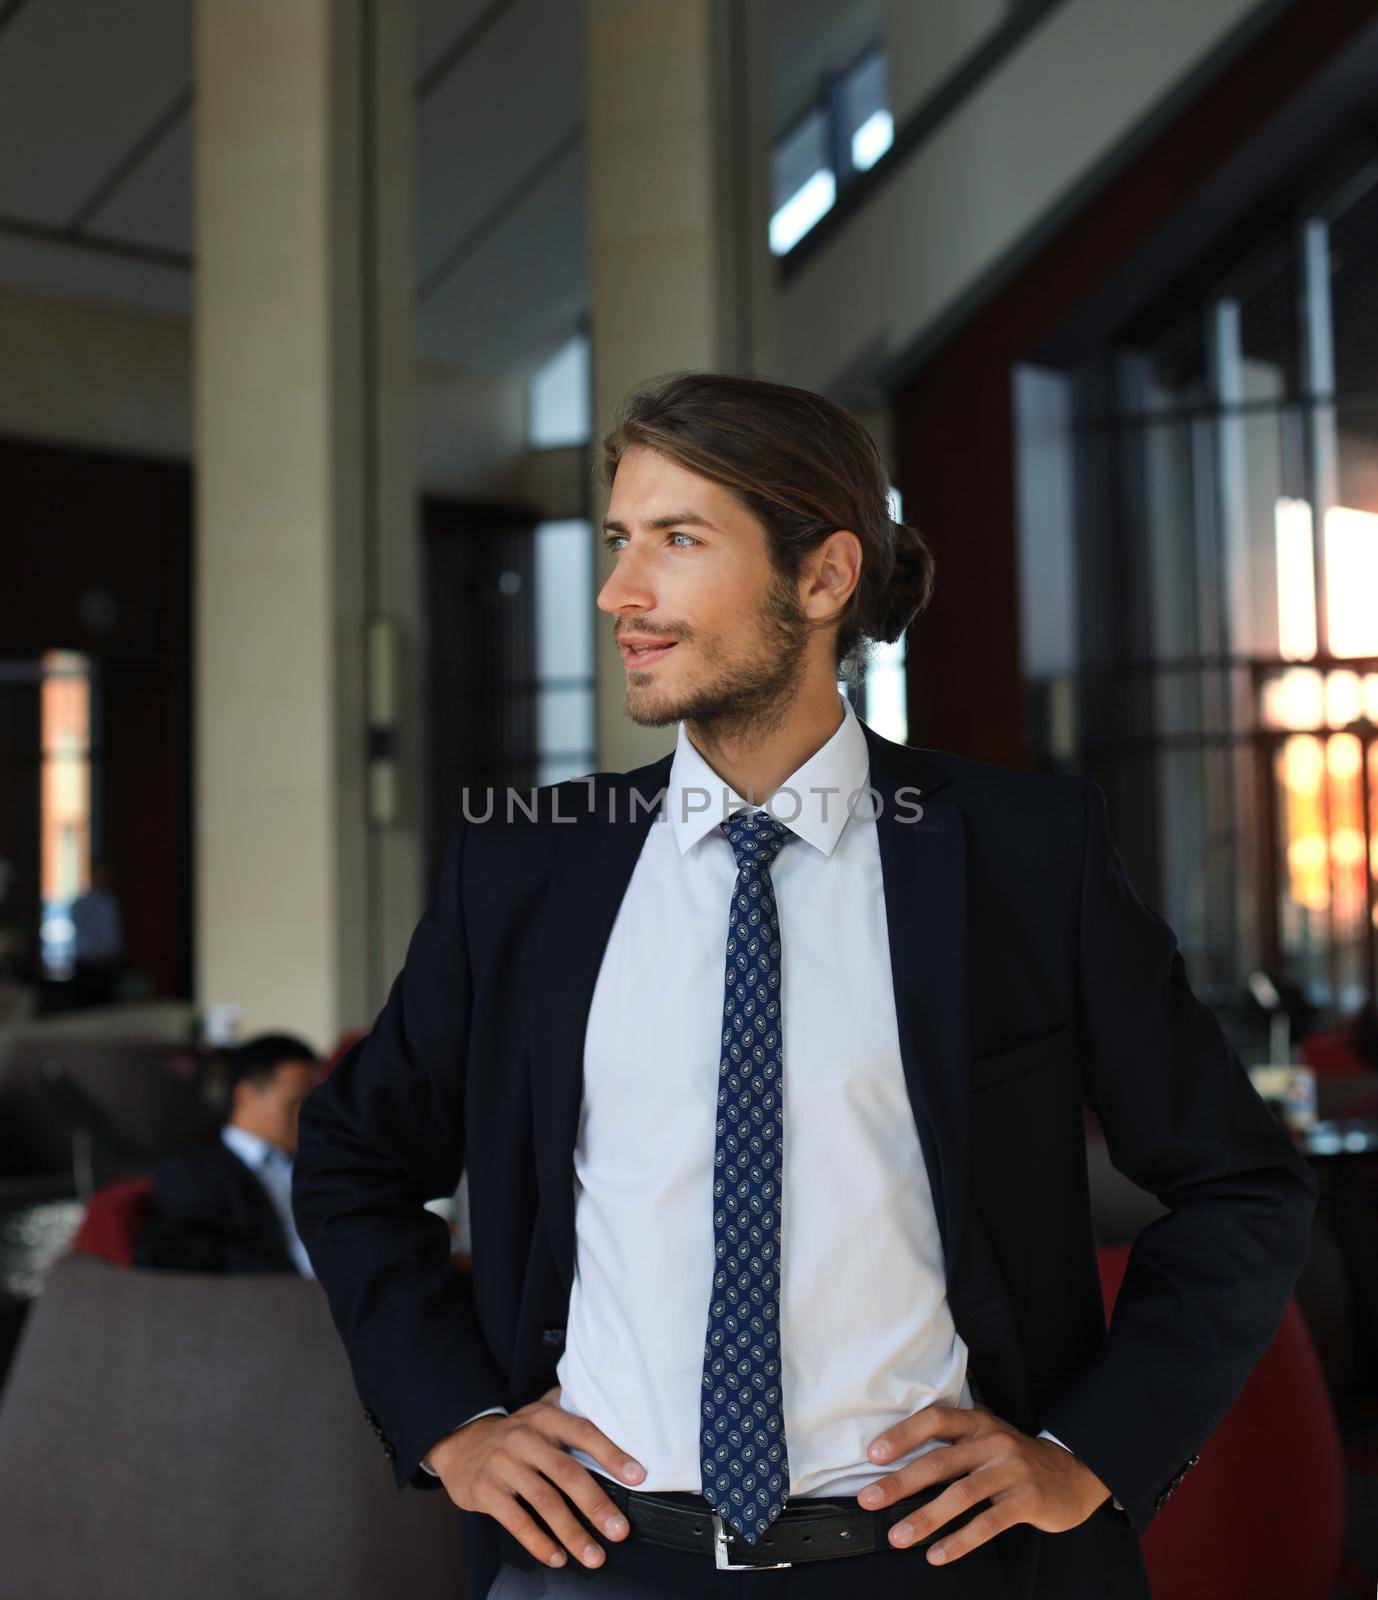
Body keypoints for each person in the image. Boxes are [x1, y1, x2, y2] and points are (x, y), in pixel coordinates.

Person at [292, 372, 1319, 1600]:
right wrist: (454, 1420)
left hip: (944, 1571)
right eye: (620, 540)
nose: (621, 591)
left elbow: (1240, 1184)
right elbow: (353, 1160)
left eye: (678, 540)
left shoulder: (1023, 854)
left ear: (824, 579)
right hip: (600, 1568)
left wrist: (1085, 1453)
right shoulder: (524, 866)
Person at [136, 1032, 321, 1276]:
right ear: (246, 1094)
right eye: (297, 1102)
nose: (311, 1116)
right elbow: (187, 1264)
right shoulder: (195, 1172)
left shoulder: (313, 1163)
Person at [69, 860, 125, 1007]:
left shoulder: (111, 902)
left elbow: (113, 931)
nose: (105, 878)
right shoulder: (81, 904)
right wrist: (95, 954)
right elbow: (82, 933)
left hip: (110, 964)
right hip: (88, 965)